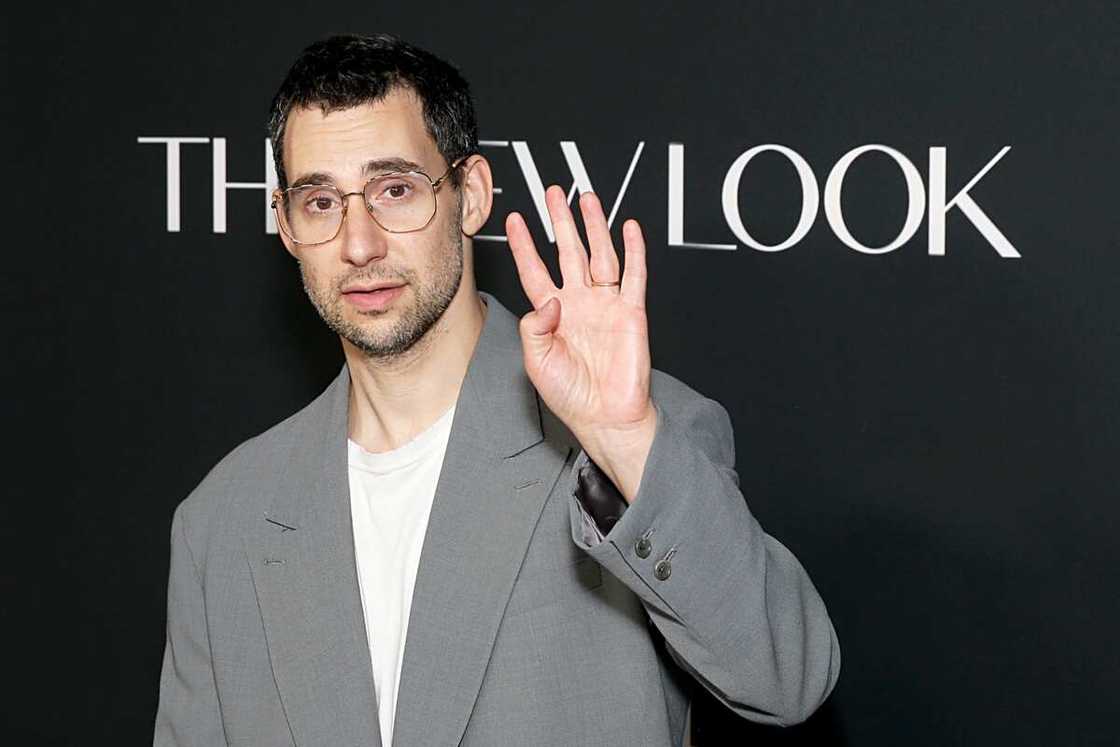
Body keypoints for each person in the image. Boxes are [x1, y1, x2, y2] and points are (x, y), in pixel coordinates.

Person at [153, 33, 840, 747]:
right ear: (287, 225)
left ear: (470, 195)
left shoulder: (624, 440)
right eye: (321, 201)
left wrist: (625, 440)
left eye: (395, 190)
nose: (360, 243)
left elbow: (786, 680)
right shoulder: (223, 521)